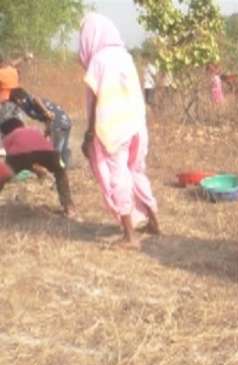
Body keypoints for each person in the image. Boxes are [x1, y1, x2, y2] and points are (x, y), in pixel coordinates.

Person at [79, 12, 160, 248]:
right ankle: (154, 221)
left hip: (112, 129)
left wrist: (88, 134)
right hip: (136, 125)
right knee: (136, 172)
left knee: (117, 178)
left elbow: (94, 100)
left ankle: (129, 235)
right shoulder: (125, 57)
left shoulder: (98, 61)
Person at [0, 118, 76, 217]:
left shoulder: (8, 137)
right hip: (49, 153)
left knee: (3, 176)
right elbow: (39, 147)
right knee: (60, 173)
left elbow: (17, 157)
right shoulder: (34, 130)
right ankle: (69, 207)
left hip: (19, 155)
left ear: (5, 132)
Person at [10, 88, 73, 167]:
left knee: (56, 149)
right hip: (64, 122)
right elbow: (45, 118)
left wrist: (46, 111)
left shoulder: (27, 100)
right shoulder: (26, 105)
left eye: (15, 103)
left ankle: (58, 168)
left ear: (17, 99)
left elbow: (36, 99)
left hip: (58, 123)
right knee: (62, 148)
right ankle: (65, 166)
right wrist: (47, 129)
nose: (17, 106)